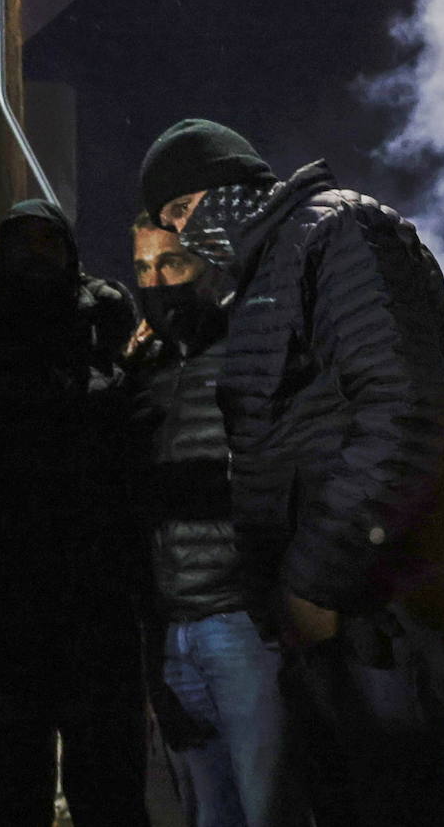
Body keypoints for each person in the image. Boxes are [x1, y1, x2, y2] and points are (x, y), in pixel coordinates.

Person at [139, 119, 444, 826]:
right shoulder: (264, 272)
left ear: (227, 184)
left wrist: (317, 579)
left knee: (391, 804)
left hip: (377, 608)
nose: (184, 233)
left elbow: (403, 412)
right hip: (324, 617)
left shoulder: (340, 233)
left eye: (183, 212)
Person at [0, 199, 147, 826]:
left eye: (48, 243)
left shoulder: (102, 347)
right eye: (21, 244)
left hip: (93, 611)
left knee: (109, 794)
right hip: (1, 617)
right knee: (9, 794)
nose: (34, 258)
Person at [125, 213, 302, 827]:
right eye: (144, 268)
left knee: (269, 810)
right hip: (172, 635)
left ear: (209, 267)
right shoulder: (145, 372)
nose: (157, 281)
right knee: (208, 814)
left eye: (172, 264)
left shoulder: (250, 355)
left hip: (243, 627)